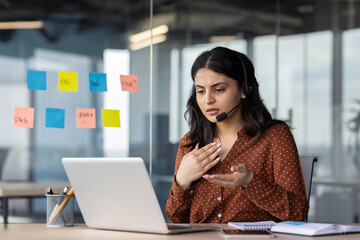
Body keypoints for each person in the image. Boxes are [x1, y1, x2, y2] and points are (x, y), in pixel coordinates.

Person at [165, 46, 309, 223]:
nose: (208, 100)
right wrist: (182, 181)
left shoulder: (275, 137)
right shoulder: (190, 142)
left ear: (244, 90)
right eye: (201, 91)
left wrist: (250, 181)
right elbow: (176, 218)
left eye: (219, 90)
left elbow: (298, 213)